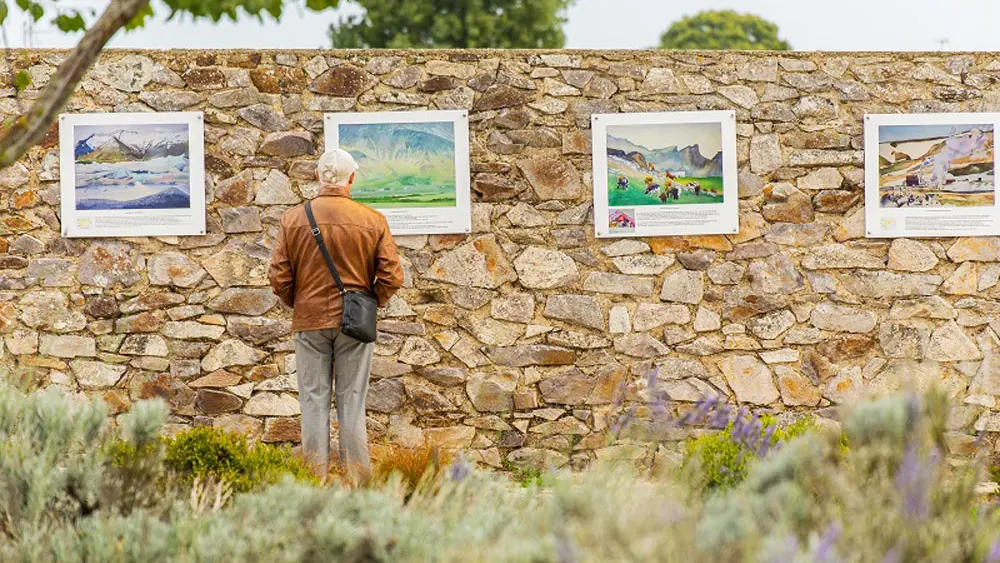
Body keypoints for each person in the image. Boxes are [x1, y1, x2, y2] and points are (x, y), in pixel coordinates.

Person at [268, 148, 404, 481]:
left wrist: (299, 303)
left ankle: (314, 482)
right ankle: (359, 482)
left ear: (318, 177)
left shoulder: (293, 219)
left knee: (313, 402)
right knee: (353, 402)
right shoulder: (373, 220)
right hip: (355, 325)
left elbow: (278, 277)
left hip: (309, 321)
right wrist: (370, 304)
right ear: (352, 178)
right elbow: (392, 276)